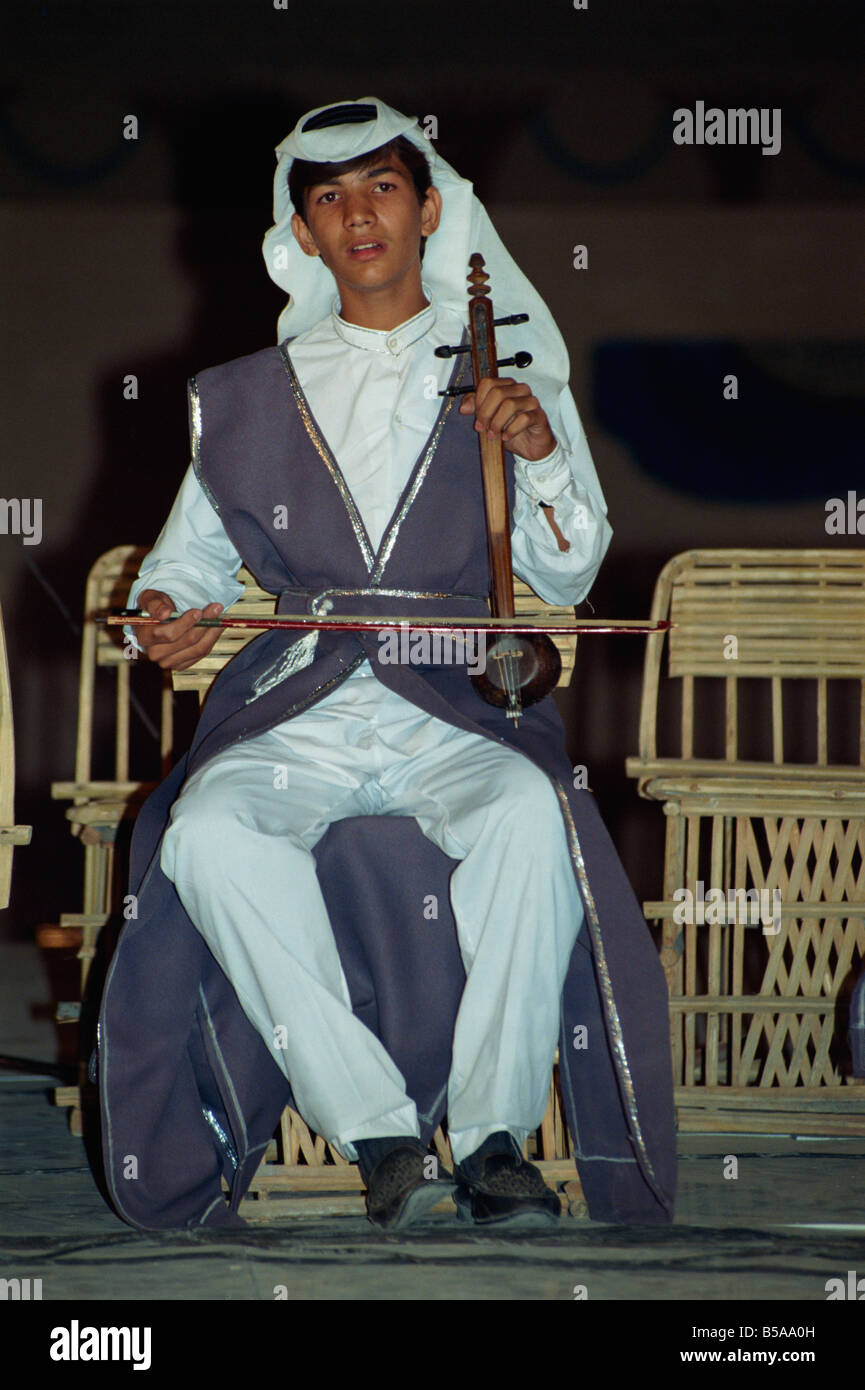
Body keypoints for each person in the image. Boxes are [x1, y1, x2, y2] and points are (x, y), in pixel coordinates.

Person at [98, 98, 677, 1234]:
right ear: (302, 234)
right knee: (209, 828)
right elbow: (180, 575)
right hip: (302, 700)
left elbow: (565, 577)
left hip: (454, 702)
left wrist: (542, 452)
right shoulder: (240, 397)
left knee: (525, 811)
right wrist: (158, 617)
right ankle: (375, 1129)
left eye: (381, 188)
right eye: (329, 197)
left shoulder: (507, 376)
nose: (357, 213)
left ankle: (497, 1135)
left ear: (429, 212)